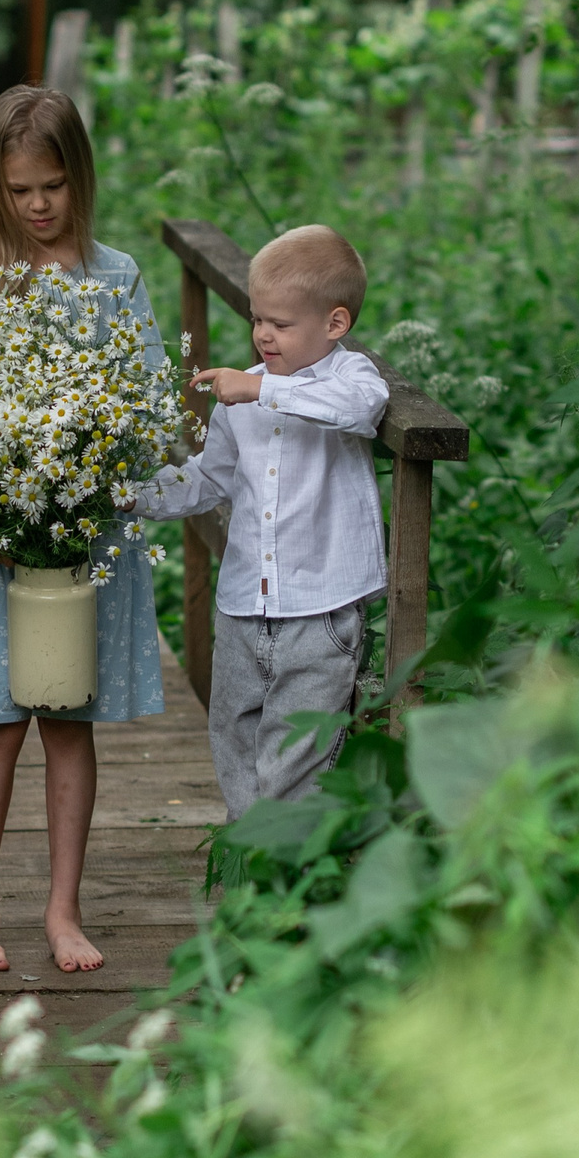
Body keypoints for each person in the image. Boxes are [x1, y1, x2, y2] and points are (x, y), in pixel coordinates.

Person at [0, 84, 169, 974]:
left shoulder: (118, 276)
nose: (38, 205)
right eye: (21, 188)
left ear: (81, 180)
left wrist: (100, 465)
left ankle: (63, 908)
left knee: (69, 723)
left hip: (85, 543)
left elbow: (146, 403)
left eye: (54, 186)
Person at [130, 225, 388, 820]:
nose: (263, 334)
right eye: (256, 319)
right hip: (245, 605)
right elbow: (209, 477)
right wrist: (130, 495)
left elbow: (359, 413)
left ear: (335, 324)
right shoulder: (243, 395)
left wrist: (264, 389)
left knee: (298, 756)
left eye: (280, 323)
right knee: (235, 737)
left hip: (319, 610)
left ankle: (286, 875)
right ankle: (254, 862)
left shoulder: (350, 379)